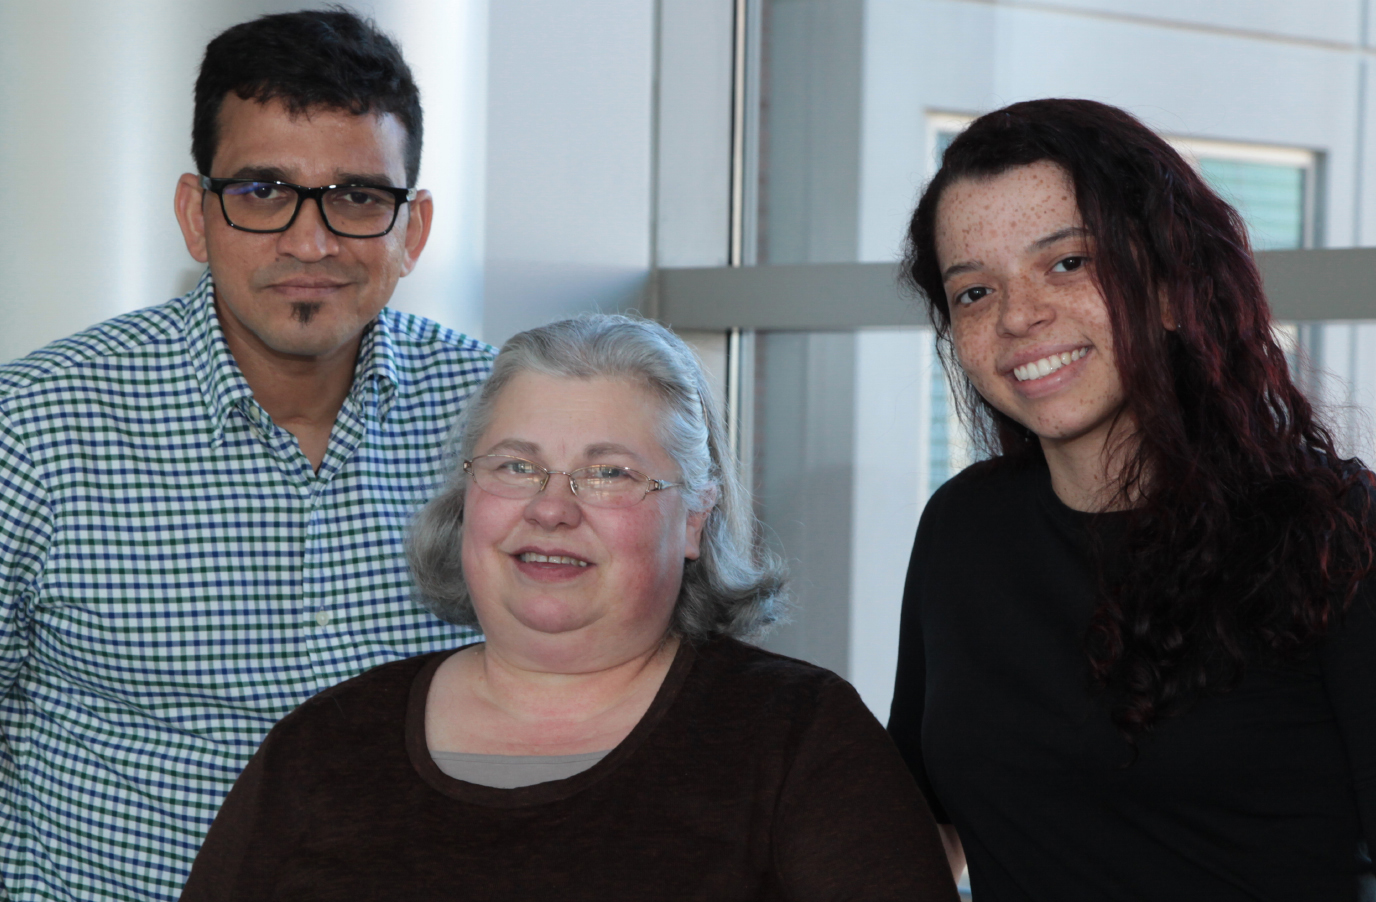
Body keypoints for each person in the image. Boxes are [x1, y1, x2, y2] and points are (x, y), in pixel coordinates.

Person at [179, 314, 959, 901]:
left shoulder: (798, 738)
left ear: (693, 517)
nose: (551, 509)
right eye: (517, 465)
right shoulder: (326, 743)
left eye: (609, 473)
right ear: (467, 496)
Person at [0, 10, 493, 901]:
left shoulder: (498, 421)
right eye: (263, 191)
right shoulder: (35, 428)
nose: (311, 243)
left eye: (356, 197)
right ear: (197, 214)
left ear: (411, 230)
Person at [888, 98, 1376, 900]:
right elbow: (921, 834)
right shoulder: (964, 529)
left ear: (1171, 288)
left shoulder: (1333, 533)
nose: (1019, 316)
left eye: (1068, 263)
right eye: (974, 293)